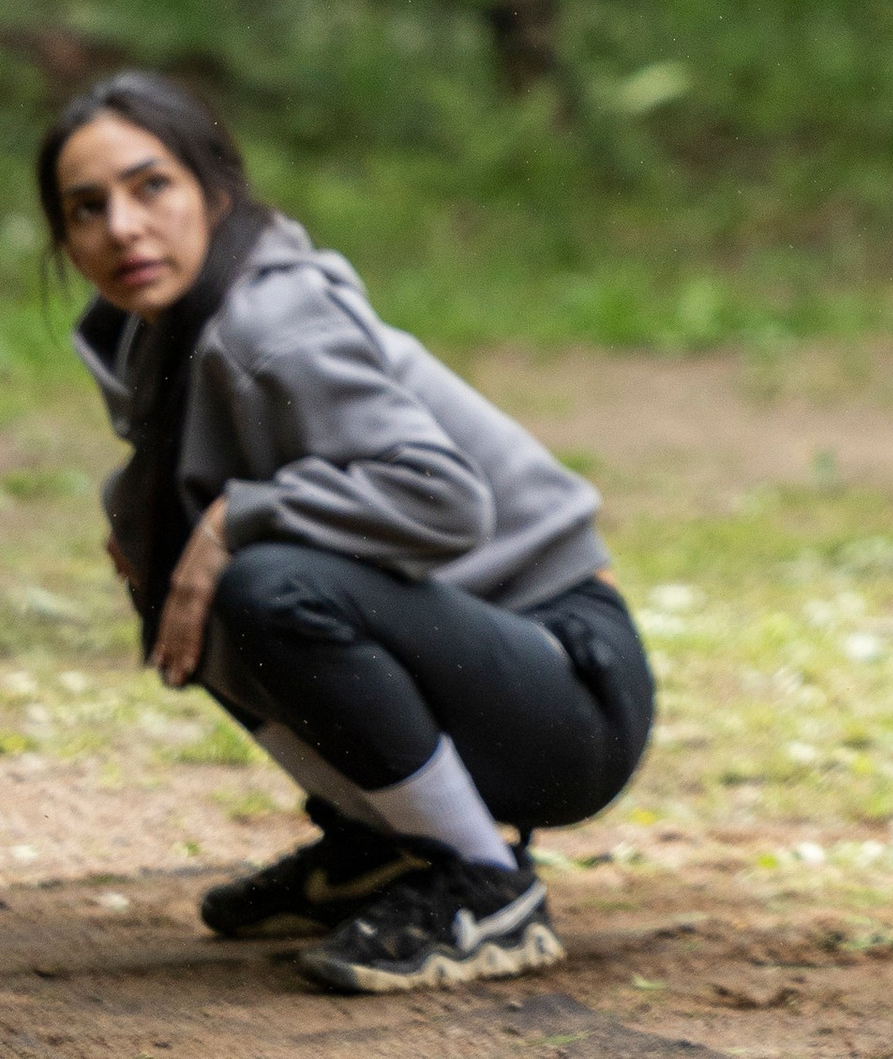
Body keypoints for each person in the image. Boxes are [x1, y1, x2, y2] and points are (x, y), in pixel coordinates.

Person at [38, 70, 652, 993]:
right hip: (482, 668)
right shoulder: (155, 335)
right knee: (174, 557)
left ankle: (481, 882)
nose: (123, 227)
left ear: (215, 189)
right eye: (88, 209)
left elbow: (445, 497)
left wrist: (242, 518)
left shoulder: (271, 319)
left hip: (569, 687)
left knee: (262, 580)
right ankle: (382, 843)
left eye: (150, 185)